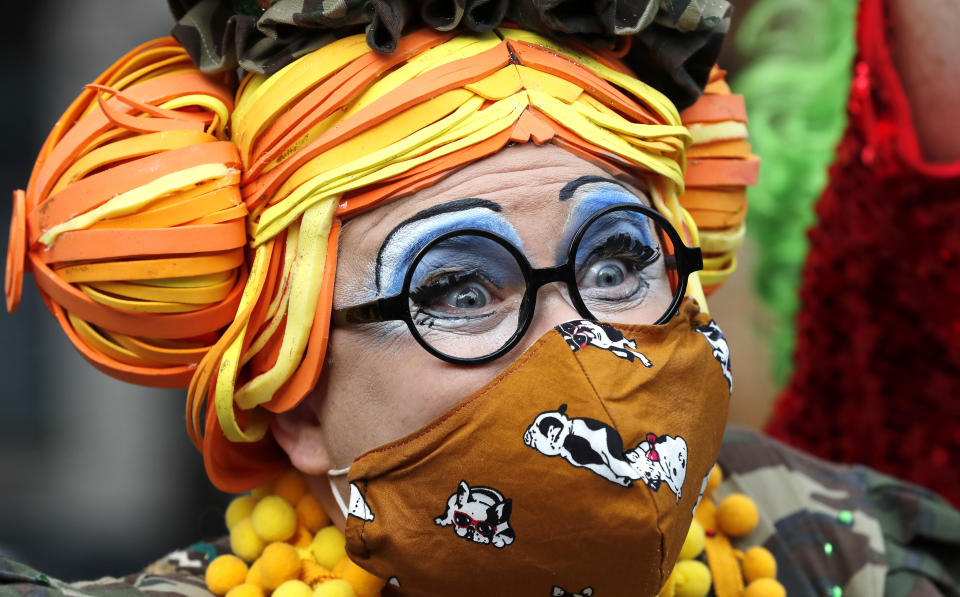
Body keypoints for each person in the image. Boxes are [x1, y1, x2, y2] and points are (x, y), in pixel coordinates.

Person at [2, 1, 957, 596]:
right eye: (458, 287)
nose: (581, 343)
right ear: (293, 400)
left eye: (619, 261)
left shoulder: (850, 555)